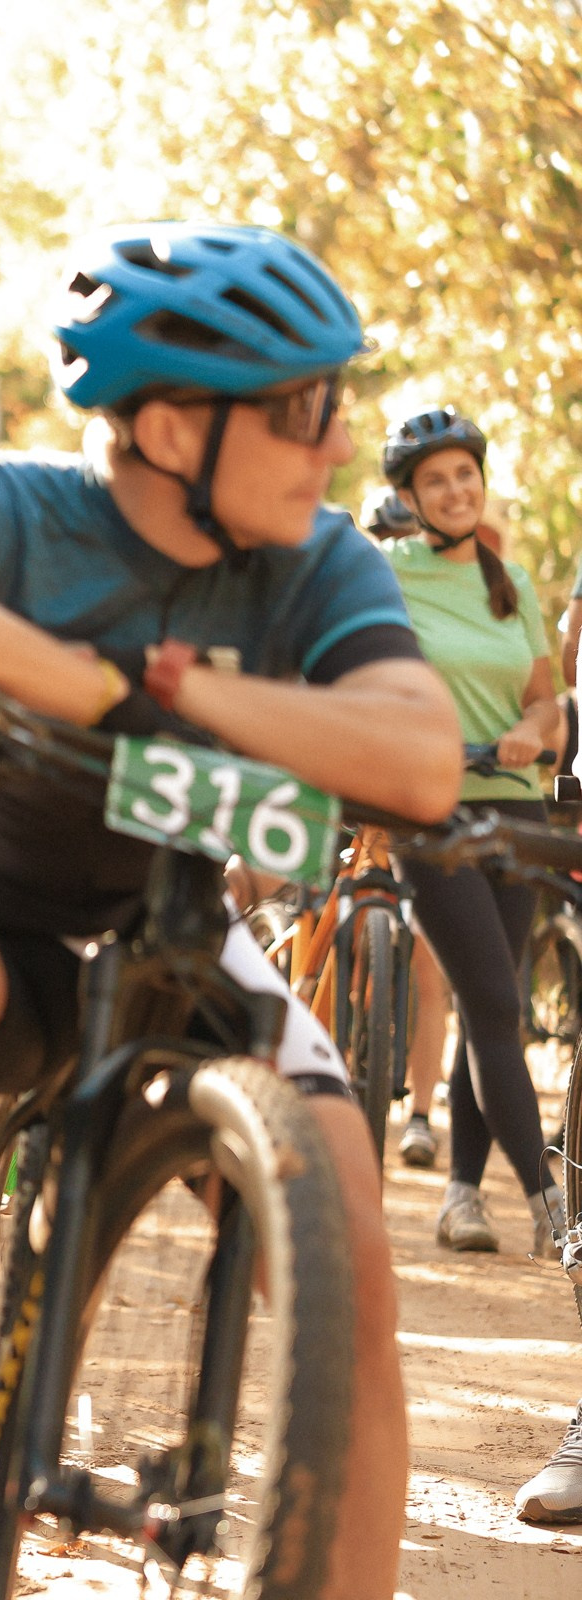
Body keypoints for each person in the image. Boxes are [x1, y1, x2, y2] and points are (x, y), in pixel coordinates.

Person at [0, 222, 457, 1599]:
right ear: (167, 426)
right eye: (301, 410)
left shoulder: (314, 560)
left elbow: (417, 754)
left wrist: (195, 695)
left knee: (355, 1267)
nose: (335, 442)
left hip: (172, 929)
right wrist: (95, 687)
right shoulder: (16, 507)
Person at [377, 407, 569, 1255]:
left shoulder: (512, 582)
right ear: (410, 497)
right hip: (432, 809)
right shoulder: (387, 575)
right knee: (495, 1000)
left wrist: (537, 726)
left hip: (517, 807)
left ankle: (462, 1197)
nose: (455, 491)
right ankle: (552, 1203)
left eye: (465, 475)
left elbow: (548, 699)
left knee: (492, 1007)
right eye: (434, 480)